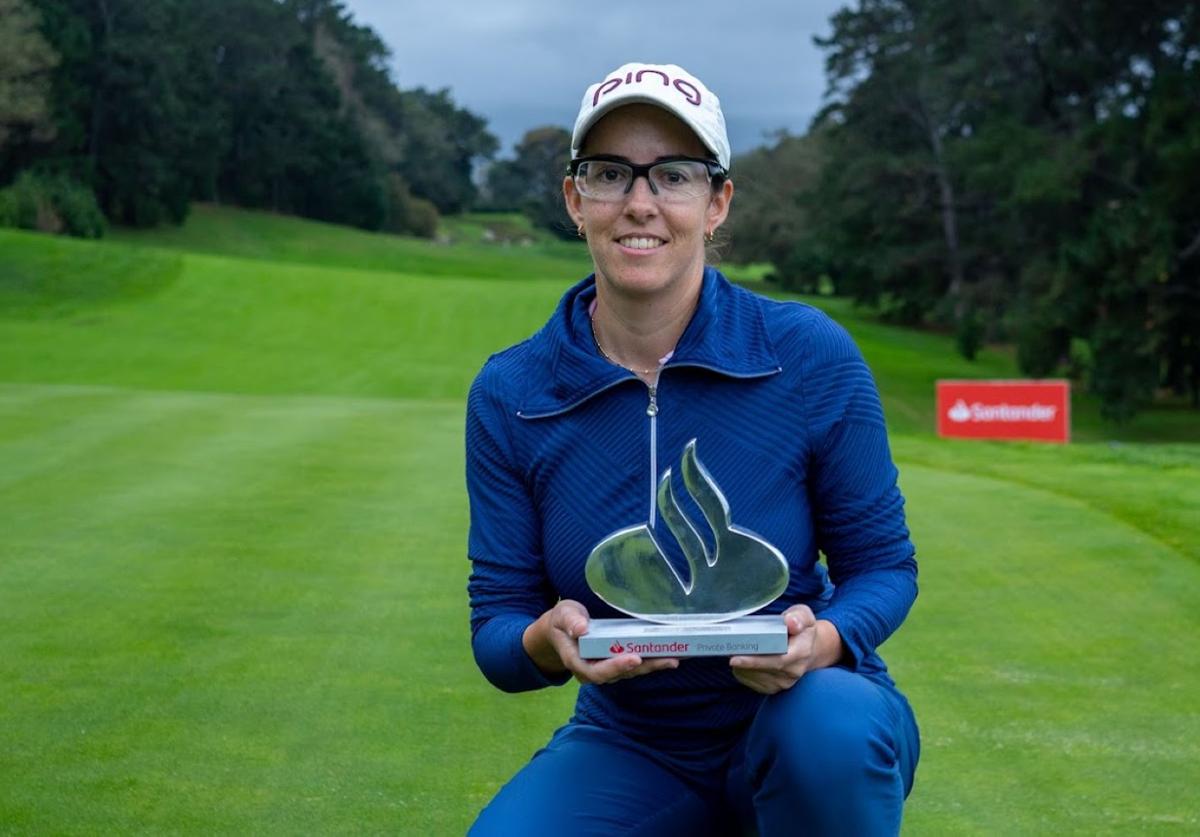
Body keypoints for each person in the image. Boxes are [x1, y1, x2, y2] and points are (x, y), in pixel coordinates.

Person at [465, 62, 919, 836]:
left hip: (804, 709)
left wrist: (823, 642)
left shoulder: (807, 354)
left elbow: (884, 568)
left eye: (673, 175)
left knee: (829, 735)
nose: (640, 202)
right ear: (576, 200)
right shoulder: (512, 390)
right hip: (633, 741)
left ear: (717, 203)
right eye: (611, 174)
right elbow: (498, 626)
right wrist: (546, 641)